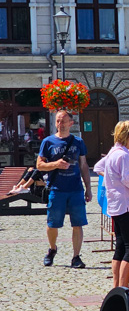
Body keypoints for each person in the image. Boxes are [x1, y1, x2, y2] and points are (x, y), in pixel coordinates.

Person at [93, 122, 129, 289]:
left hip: (115, 205)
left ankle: (116, 285)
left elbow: (99, 167)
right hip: (126, 205)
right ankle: (124, 285)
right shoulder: (124, 155)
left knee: (120, 246)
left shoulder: (113, 153)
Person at [36, 110, 92, 268]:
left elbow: (84, 166)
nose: (60, 124)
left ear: (71, 123)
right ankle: (52, 249)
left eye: (63, 121)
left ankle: (76, 257)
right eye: (58, 121)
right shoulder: (48, 142)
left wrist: (88, 188)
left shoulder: (78, 142)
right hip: (56, 188)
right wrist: (55, 164)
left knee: (78, 223)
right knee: (52, 224)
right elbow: (39, 165)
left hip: (75, 189)